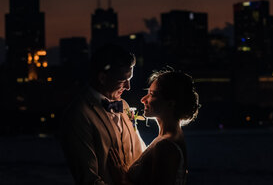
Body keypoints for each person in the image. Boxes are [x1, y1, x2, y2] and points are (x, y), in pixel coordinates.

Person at [61, 44, 146, 185]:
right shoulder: (78, 115)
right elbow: (88, 179)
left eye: (130, 79)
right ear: (102, 78)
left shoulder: (124, 106)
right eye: (123, 80)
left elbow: (140, 154)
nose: (128, 87)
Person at [108, 69, 200, 185]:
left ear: (170, 103)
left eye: (152, 94)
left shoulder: (166, 146)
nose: (143, 100)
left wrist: (122, 179)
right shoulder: (170, 137)